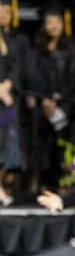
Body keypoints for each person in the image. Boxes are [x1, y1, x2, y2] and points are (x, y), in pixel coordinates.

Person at [24, 2, 75, 191]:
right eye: (49, 21)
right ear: (44, 26)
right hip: (42, 108)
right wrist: (44, 99)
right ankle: (44, 188)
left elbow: (74, 77)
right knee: (43, 148)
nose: (54, 25)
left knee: (63, 148)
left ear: (63, 25)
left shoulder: (71, 49)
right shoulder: (37, 51)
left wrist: (60, 97)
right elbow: (31, 78)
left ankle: (65, 187)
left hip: (65, 107)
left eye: (57, 21)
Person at [0, 25, 20, 207]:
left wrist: (7, 84)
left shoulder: (5, 39)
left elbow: (15, 65)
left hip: (3, 103)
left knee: (4, 144)